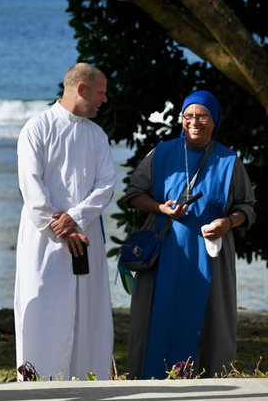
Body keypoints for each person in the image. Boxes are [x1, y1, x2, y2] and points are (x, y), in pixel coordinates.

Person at [125, 90, 255, 379]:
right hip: (164, 251)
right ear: (181, 119)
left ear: (214, 121)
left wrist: (227, 222)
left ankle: (209, 380)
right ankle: (152, 377)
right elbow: (134, 194)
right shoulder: (161, 153)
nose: (194, 122)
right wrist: (161, 207)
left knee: (208, 319)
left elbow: (247, 206)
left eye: (202, 116)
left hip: (210, 255)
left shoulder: (229, 160)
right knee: (160, 315)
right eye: (188, 116)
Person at [14, 62, 115, 381]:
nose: (104, 100)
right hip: (45, 240)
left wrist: (75, 219)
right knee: (45, 309)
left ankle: (89, 383)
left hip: (85, 239)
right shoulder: (37, 127)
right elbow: (31, 183)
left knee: (88, 315)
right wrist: (57, 225)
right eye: (101, 93)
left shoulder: (97, 135)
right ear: (81, 89)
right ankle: (39, 382)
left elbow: (106, 184)